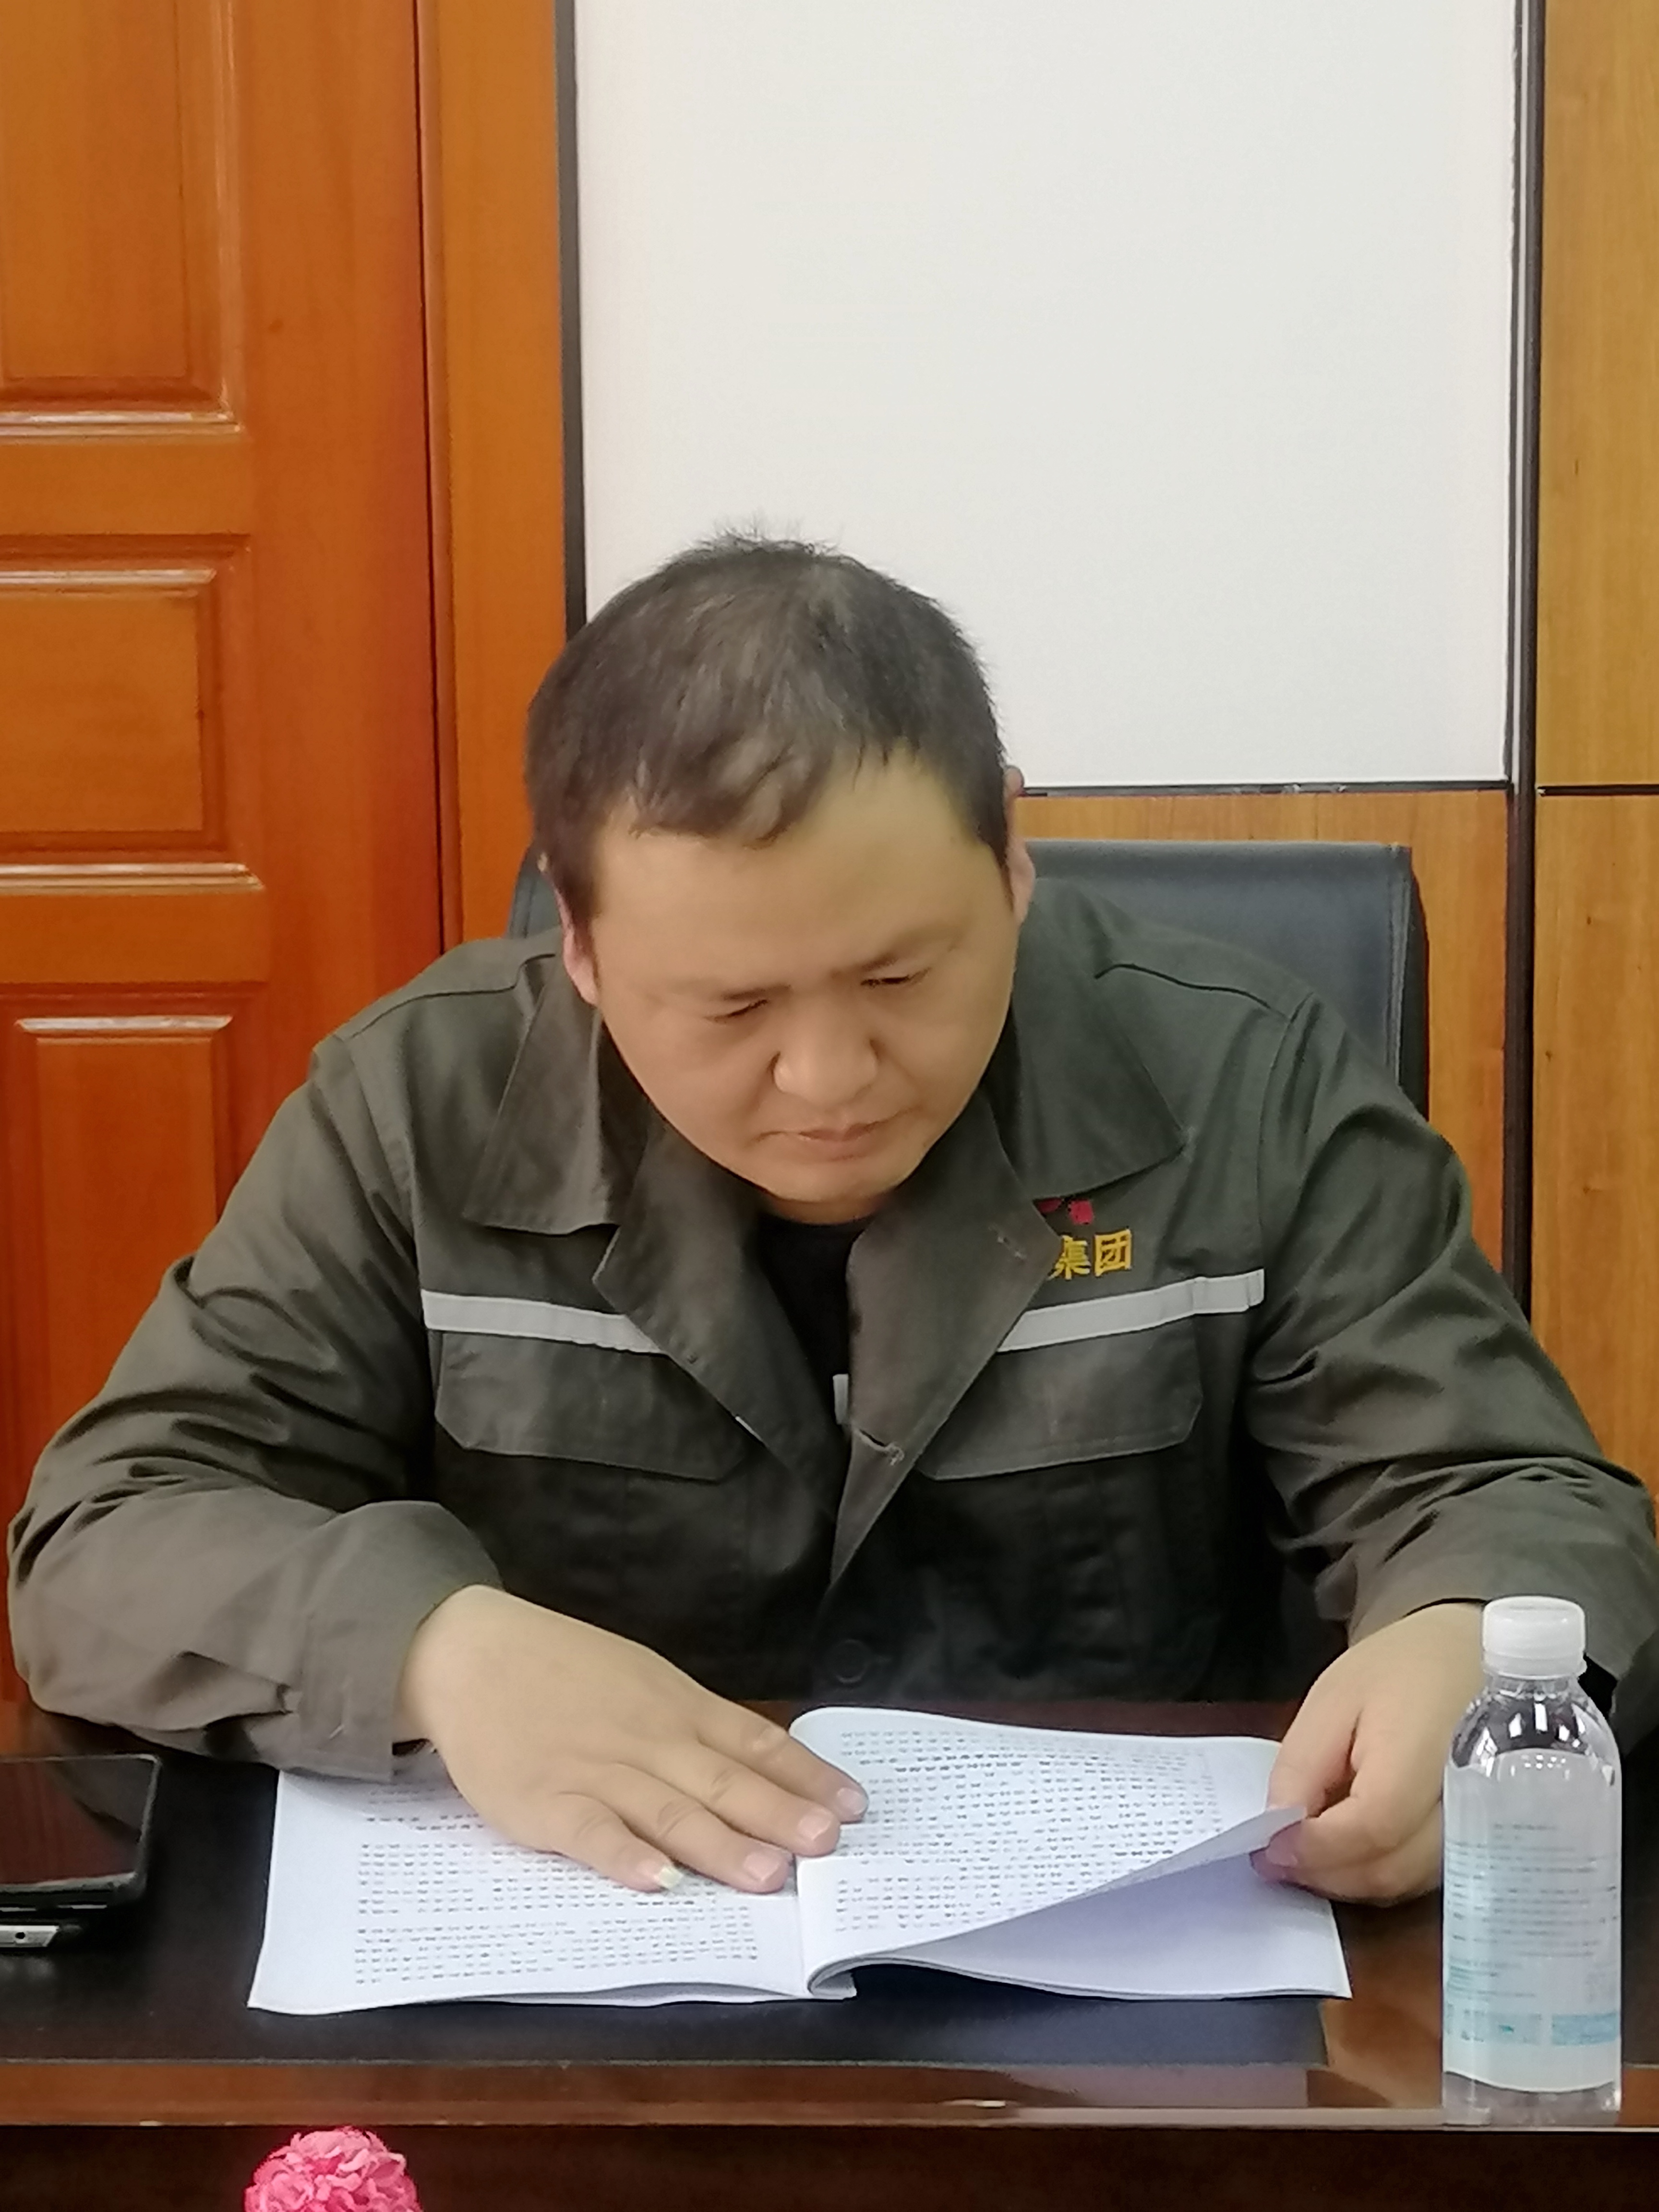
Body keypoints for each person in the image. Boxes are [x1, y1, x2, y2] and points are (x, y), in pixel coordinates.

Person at [10, 536, 1659, 1911]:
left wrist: (1471, 1642)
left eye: (899, 974)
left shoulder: (1247, 1085)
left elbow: (1507, 1492)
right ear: (579, 943)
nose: (829, 1078)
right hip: (601, 1983)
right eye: (730, 1006)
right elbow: (109, 1536)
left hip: (1129, 2006)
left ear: (1011, 855)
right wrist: (433, 1651)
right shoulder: (414, 1114)